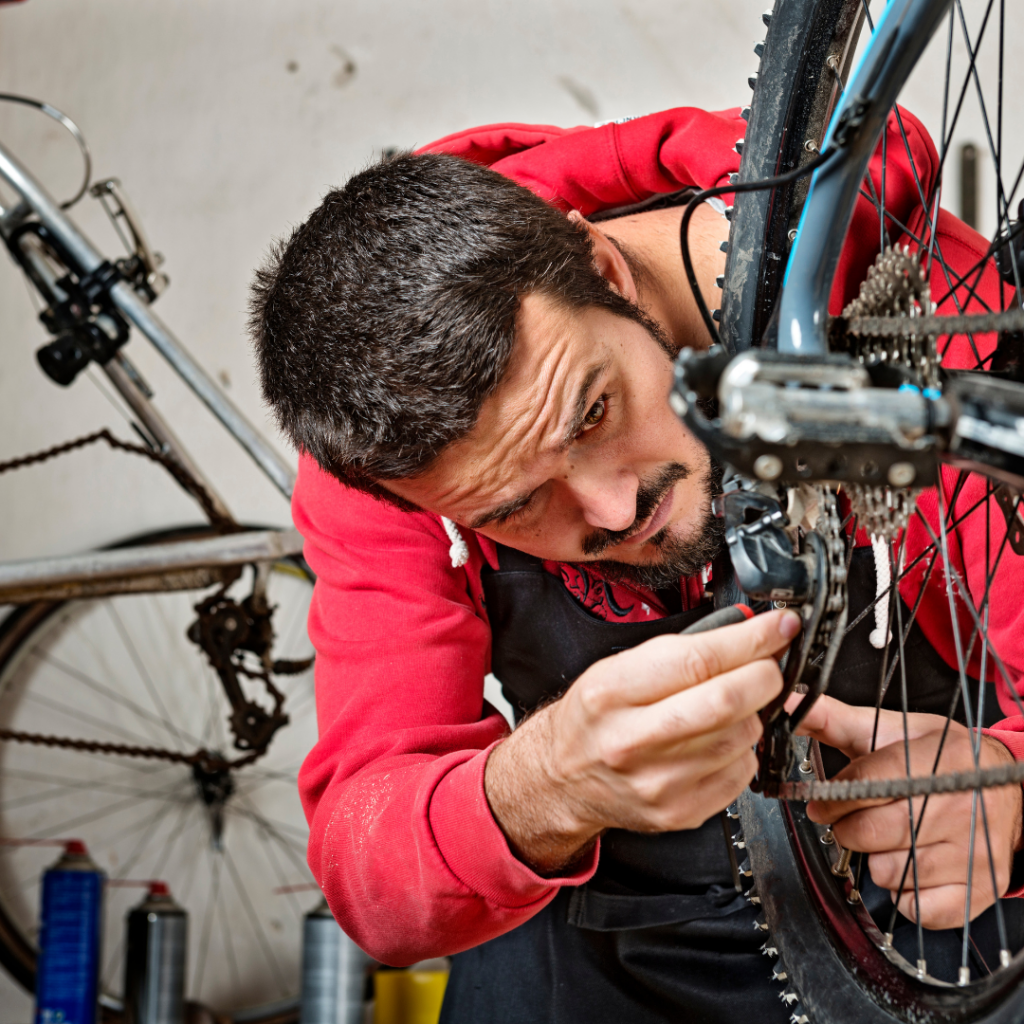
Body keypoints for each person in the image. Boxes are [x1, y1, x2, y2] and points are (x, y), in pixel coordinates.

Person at [249, 105, 1024, 1022]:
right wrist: (542, 788)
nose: (617, 511)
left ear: (606, 270)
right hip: (603, 945)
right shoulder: (394, 459)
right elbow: (367, 867)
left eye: (592, 413)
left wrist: (1012, 793)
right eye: (516, 508)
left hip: (940, 903)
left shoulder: (918, 307)